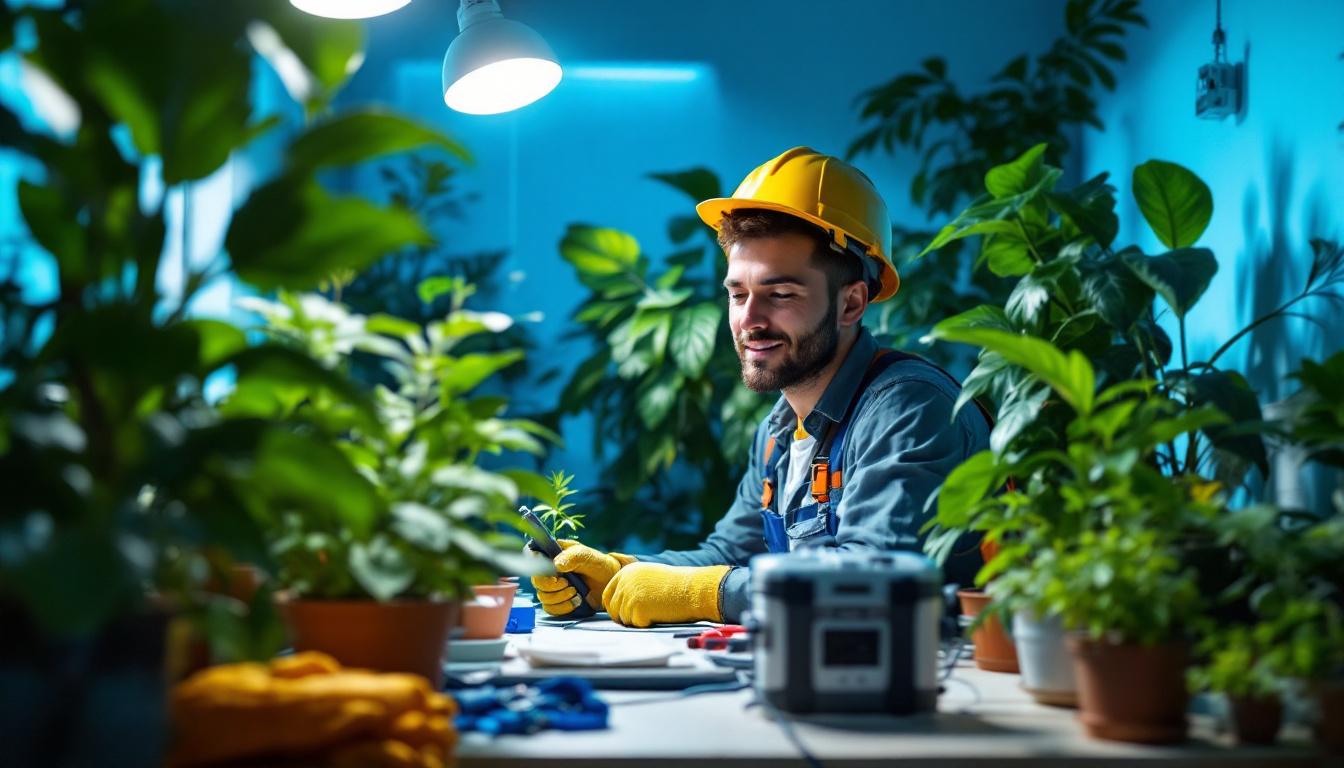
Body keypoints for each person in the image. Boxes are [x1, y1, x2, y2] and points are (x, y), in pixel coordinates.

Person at [533, 147, 991, 627]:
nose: (749, 320)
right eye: (738, 294)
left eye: (780, 294)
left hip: (945, 667)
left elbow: (874, 582)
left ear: (851, 304)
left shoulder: (908, 408)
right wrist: (619, 572)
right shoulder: (779, 430)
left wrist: (704, 593)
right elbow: (730, 555)